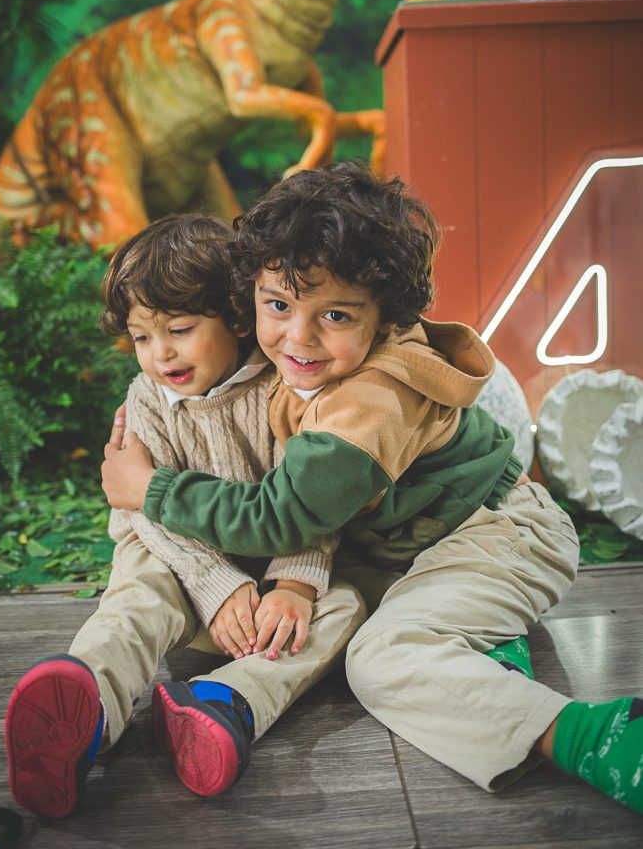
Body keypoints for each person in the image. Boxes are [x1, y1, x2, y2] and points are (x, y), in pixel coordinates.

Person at [102, 162, 643, 817]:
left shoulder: (369, 399)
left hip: (493, 534)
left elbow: (284, 518)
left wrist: (151, 489)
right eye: (277, 305)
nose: (296, 337)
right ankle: (483, 652)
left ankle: (600, 736)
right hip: (410, 546)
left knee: (381, 659)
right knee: (327, 610)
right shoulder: (297, 368)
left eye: (333, 313)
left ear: (385, 318)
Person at [5, 214, 365, 818]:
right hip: (181, 569)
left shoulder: (286, 387)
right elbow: (142, 509)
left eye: (178, 329)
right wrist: (215, 586)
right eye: (141, 337)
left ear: (236, 315)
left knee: (347, 605)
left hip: (267, 593)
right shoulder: (145, 401)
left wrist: (295, 585)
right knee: (138, 591)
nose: (159, 353)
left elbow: (312, 499)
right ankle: (88, 703)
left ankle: (228, 702)